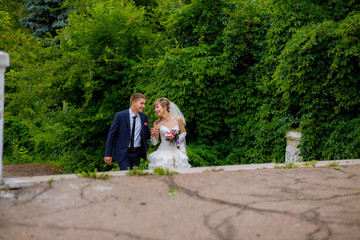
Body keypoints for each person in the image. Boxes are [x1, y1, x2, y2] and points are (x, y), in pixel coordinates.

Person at [104, 93, 151, 170]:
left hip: (137, 153)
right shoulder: (120, 116)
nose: (144, 106)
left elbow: (146, 135)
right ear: (133, 103)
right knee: (126, 174)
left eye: (144, 104)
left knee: (134, 177)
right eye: (141, 103)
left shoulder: (144, 117)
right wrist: (108, 154)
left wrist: (153, 133)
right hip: (124, 153)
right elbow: (111, 135)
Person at [148, 97, 191, 170]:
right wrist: (152, 136)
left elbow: (183, 132)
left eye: (157, 107)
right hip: (163, 153)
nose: (155, 110)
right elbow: (154, 143)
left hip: (177, 152)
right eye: (155, 108)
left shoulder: (178, 119)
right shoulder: (157, 123)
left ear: (164, 107)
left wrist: (176, 139)